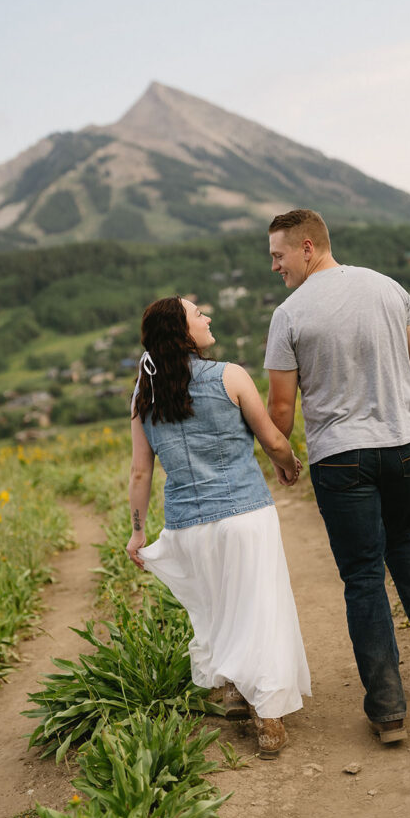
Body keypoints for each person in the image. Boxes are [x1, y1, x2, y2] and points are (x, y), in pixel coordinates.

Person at [264, 208, 410, 746]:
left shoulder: (289, 315)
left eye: (279, 256)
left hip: (341, 459)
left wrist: (282, 457)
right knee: (405, 537)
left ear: (307, 247)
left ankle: (389, 708)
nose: (274, 267)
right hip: (400, 445)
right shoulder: (388, 288)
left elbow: (281, 407)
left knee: (363, 575)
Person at [126, 295, 310, 759]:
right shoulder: (230, 375)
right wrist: (290, 466)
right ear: (183, 333)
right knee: (257, 608)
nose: (207, 318)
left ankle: (230, 690)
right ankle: (268, 717)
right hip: (245, 514)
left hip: (188, 525)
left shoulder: (145, 395)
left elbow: (140, 473)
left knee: (214, 607)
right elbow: (271, 438)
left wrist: (137, 530)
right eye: (197, 314)